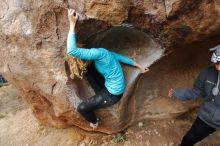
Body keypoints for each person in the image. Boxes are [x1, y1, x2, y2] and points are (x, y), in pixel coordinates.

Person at [67, 9, 149, 129]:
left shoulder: (96, 53)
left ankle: (95, 122)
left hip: (113, 94)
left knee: (82, 108)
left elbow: (72, 50)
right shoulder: (105, 52)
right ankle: (99, 95)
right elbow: (122, 58)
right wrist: (139, 66)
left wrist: (72, 23)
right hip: (110, 84)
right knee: (88, 71)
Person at [168, 44, 220, 146]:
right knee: (188, 140)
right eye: (216, 63)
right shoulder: (207, 73)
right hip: (206, 117)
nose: (218, 67)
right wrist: (177, 93)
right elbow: (196, 91)